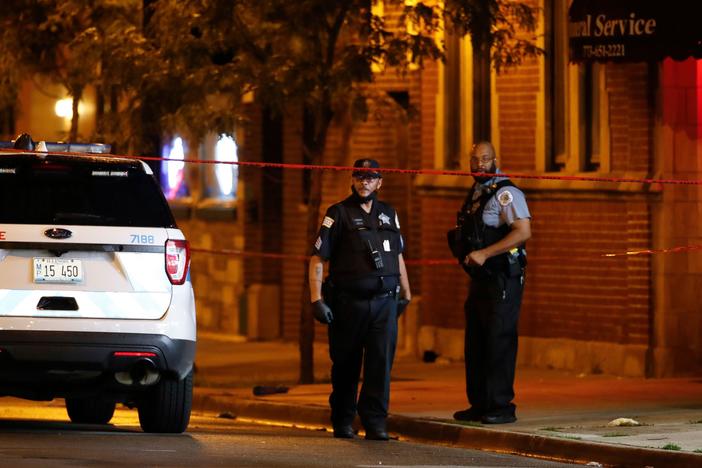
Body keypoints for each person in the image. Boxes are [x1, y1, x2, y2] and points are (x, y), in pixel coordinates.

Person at [308, 158, 412, 441]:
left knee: (380, 365)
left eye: (370, 177)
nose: (364, 182)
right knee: (346, 364)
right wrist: (316, 299)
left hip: (384, 303)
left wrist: (407, 292)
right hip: (348, 303)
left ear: (380, 181)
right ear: (352, 180)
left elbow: (398, 256)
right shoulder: (338, 213)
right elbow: (318, 259)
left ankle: (376, 423)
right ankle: (343, 420)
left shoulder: (389, 214)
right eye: (359, 177)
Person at [448, 141, 531, 425]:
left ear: (496, 159)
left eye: (485, 159)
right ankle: (480, 404)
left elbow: (522, 232)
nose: (480, 164)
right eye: (475, 160)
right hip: (482, 280)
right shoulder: (477, 192)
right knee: (477, 341)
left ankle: (501, 406)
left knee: (499, 339)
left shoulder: (505, 193)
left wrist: (484, 253)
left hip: (503, 278)